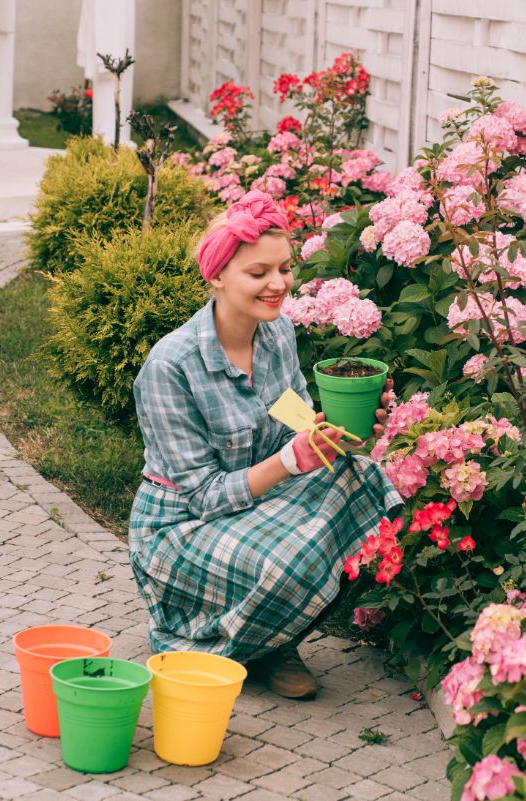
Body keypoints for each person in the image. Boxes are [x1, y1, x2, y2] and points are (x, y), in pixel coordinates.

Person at [128, 190, 402, 698]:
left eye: (284, 269)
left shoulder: (277, 335)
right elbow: (203, 496)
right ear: (217, 277)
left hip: (256, 496)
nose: (278, 284)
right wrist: (289, 461)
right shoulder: (170, 367)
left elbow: (294, 415)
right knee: (289, 559)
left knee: (364, 479)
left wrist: (347, 429)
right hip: (180, 526)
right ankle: (236, 641)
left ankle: (274, 634)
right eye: (258, 274)